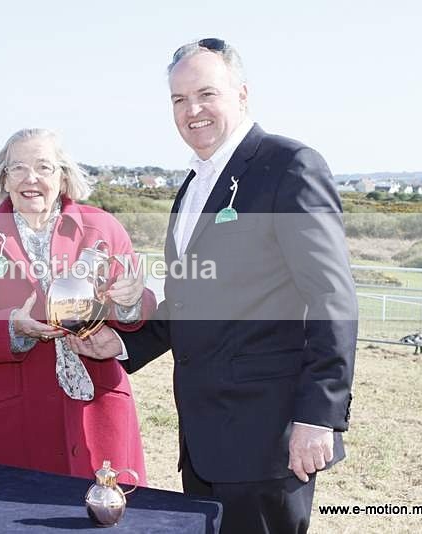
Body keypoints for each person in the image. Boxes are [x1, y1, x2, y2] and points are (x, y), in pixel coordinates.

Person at [70, 39, 358, 533]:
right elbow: (189, 298)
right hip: (204, 436)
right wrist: (123, 341)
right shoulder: (194, 184)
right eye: (179, 100)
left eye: (206, 93)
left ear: (241, 94)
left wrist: (319, 416)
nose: (192, 110)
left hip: (268, 437)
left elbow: (331, 297)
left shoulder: (288, 166)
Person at [0, 128, 155, 484]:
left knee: (100, 515)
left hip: (95, 410)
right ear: (3, 179)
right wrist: (10, 326)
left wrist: (130, 302)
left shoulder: (102, 228)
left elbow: (138, 311)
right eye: (17, 168)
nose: (30, 179)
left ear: (63, 176)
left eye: (44, 168)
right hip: (7, 419)